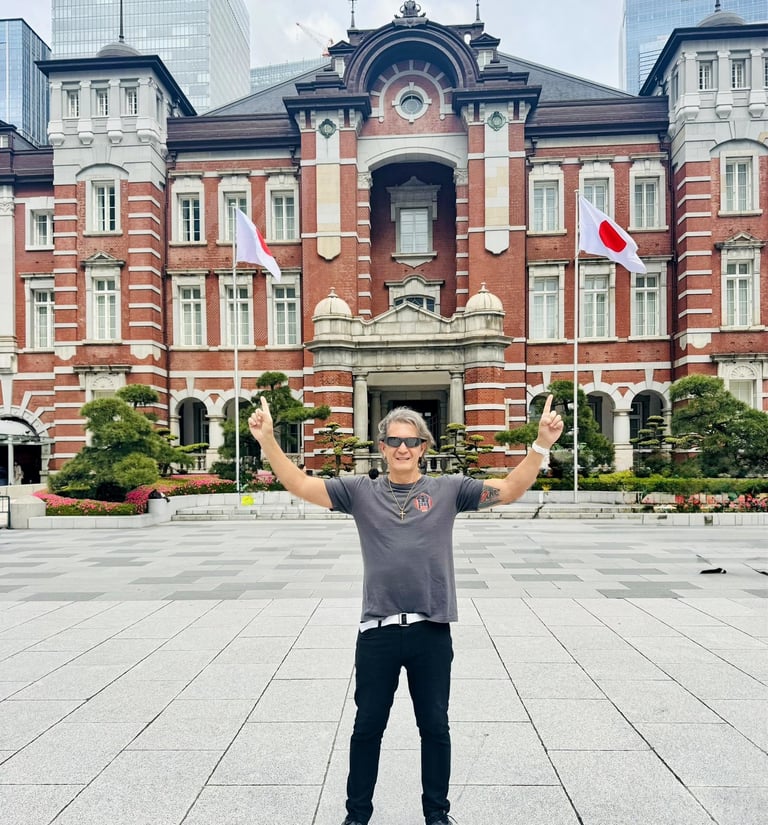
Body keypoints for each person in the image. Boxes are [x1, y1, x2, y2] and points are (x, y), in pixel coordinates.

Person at [248, 395, 563, 825]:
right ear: (382, 447)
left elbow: (508, 490)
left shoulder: (449, 490)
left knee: (434, 726)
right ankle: (357, 816)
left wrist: (541, 444)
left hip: (430, 629)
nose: (402, 448)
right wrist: (267, 440)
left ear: (423, 447)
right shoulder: (359, 492)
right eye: (394, 441)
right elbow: (302, 485)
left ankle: (437, 815)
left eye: (411, 442)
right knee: (367, 728)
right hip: (377, 632)